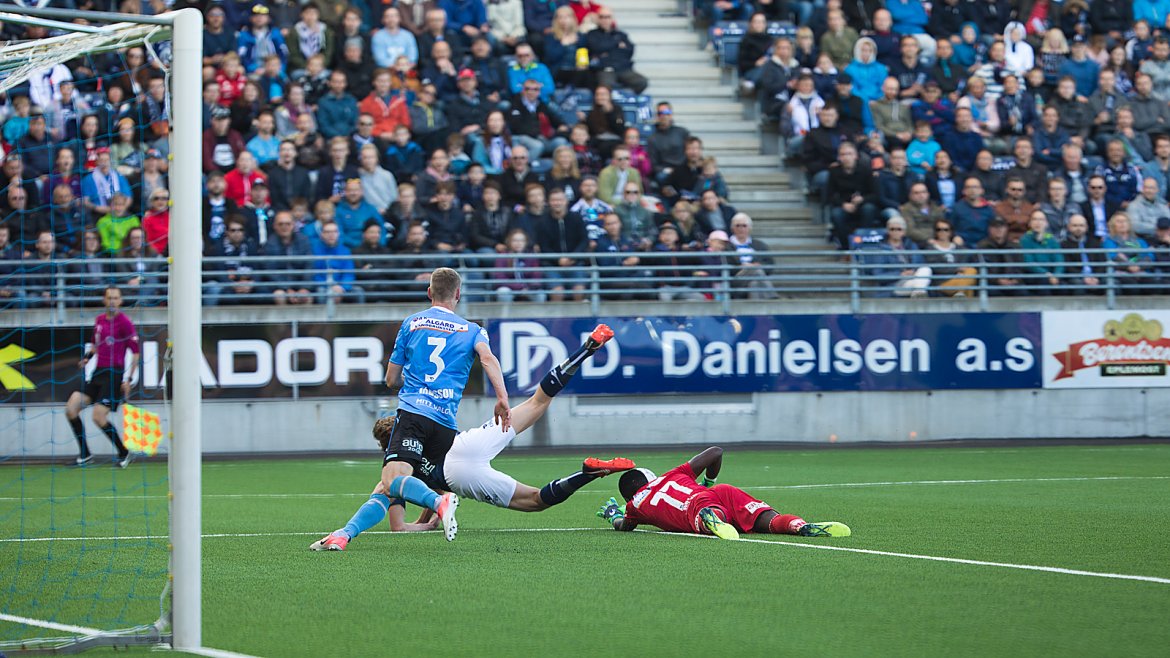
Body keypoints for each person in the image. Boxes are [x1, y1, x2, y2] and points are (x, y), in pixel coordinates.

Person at [313, 326, 633, 549]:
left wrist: (427, 523)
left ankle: (586, 474)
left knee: (536, 501)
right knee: (538, 401)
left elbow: (397, 525)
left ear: (388, 444)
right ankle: (585, 349)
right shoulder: (424, 429)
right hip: (466, 442)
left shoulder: (397, 467)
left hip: (459, 475)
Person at [373, 267, 510, 542]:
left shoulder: (412, 323)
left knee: (390, 480)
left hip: (414, 412)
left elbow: (390, 379)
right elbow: (488, 360)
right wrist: (502, 398)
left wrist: (412, 387)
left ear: (429, 292)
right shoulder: (473, 330)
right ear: (458, 294)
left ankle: (438, 505)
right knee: (431, 476)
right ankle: (438, 505)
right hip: (446, 420)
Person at [598, 446, 850, 540]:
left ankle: (712, 519)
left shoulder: (635, 505)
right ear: (652, 477)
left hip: (696, 508)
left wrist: (612, 515)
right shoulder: (672, 475)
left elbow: (624, 526)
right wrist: (709, 483)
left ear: (629, 496)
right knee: (769, 521)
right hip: (720, 492)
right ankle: (798, 526)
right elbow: (716, 452)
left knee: (704, 514)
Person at [64, 286, 137, 467]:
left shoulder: (125, 322)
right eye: (109, 297)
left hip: (114, 374)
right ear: (104, 300)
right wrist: (87, 358)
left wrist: (128, 379)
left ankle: (124, 452)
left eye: (116, 298)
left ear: (120, 301)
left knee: (98, 417)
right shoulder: (99, 320)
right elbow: (96, 345)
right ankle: (85, 454)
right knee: (71, 408)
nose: (112, 301)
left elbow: (135, 352)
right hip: (98, 373)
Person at [862, 215, 932, 297]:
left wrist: (912, 272)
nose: (895, 232)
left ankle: (918, 292)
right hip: (895, 285)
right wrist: (900, 274)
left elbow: (920, 264)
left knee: (926, 269)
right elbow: (878, 275)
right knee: (918, 286)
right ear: (888, 231)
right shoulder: (881, 249)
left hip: (914, 279)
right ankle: (920, 293)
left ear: (904, 232)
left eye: (899, 229)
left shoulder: (911, 245)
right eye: (892, 229)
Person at [1060, 214, 1107, 293]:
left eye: (1081, 225)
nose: (1078, 228)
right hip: (1076, 277)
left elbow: (1102, 262)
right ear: (1068, 227)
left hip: (1096, 276)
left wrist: (1096, 277)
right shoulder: (1064, 245)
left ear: (1086, 227)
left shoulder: (1095, 242)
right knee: (1078, 285)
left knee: (1111, 283)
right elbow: (1067, 266)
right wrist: (1083, 277)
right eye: (1075, 225)